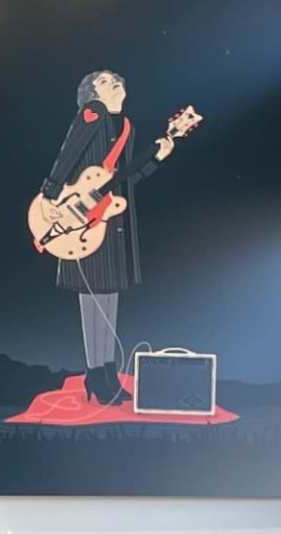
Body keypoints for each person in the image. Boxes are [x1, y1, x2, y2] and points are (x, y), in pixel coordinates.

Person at [29, 69, 202, 405]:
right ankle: (96, 373)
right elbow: (69, 152)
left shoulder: (126, 127)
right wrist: (49, 194)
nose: (115, 83)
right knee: (92, 297)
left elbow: (125, 179)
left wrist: (157, 157)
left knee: (108, 297)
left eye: (116, 79)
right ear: (91, 94)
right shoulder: (92, 113)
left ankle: (105, 374)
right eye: (105, 81)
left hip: (109, 219)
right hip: (79, 218)